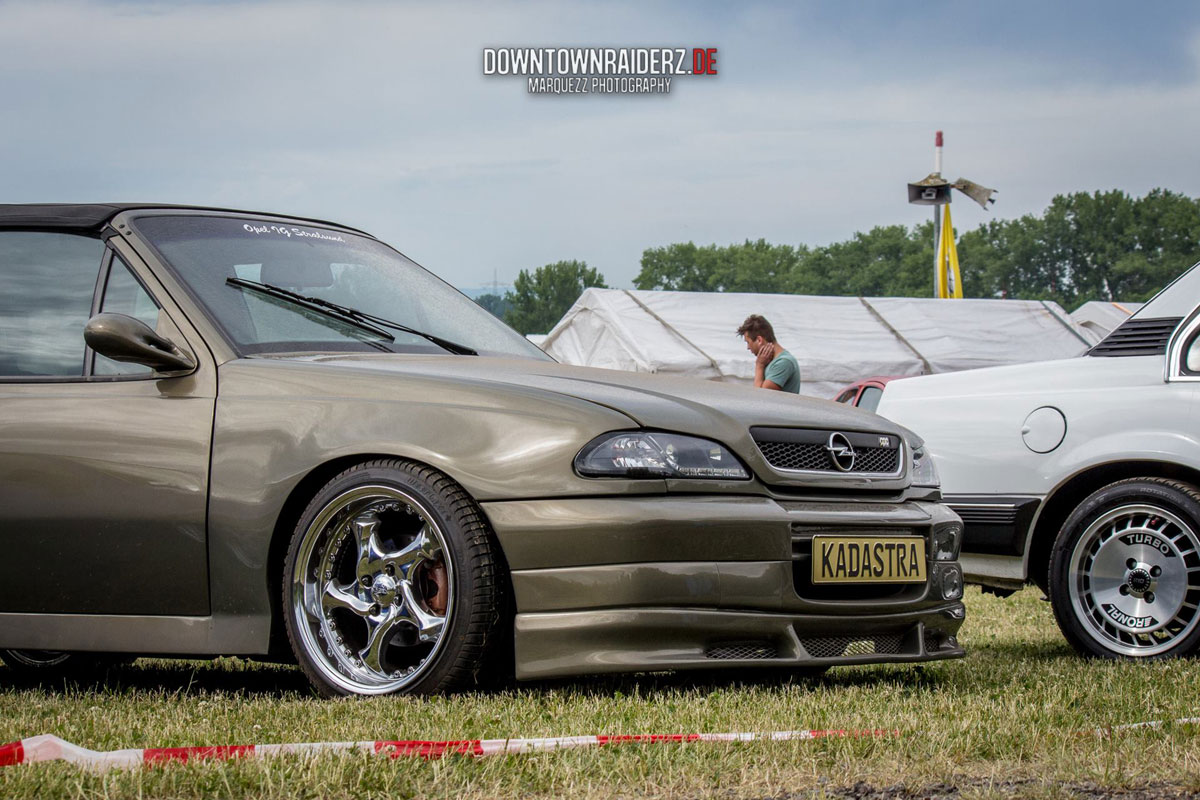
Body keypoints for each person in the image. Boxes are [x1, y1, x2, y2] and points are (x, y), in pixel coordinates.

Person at [736, 314, 800, 393]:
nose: (748, 347)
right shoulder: (771, 361)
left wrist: (759, 366)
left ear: (759, 340)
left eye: (748, 342)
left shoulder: (783, 362)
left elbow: (761, 396)